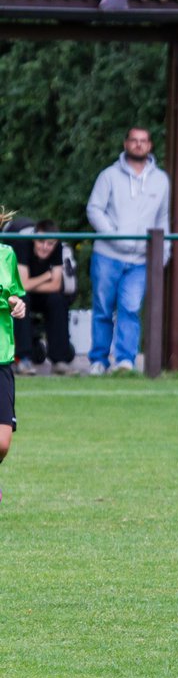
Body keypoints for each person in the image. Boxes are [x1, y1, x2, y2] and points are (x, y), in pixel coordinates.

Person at [85, 126, 170, 375]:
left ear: (150, 145)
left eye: (143, 141)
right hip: (107, 256)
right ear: (126, 144)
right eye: (134, 140)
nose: (138, 145)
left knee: (130, 308)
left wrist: (162, 252)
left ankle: (125, 361)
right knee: (102, 309)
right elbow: (94, 209)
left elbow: (162, 218)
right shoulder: (108, 176)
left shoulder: (161, 180)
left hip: (141, 259)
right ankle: (99, 360)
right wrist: (114, 236)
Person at [12, 220, 75, 376]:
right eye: (41, 241)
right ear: (34, 238)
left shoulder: (58, 248)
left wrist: (34, 282)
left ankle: (59, 360)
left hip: (41, 292)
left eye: (50, 243)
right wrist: (47, 275)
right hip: (20, 293)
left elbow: (55, 285)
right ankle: (24, 359)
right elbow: (22, 285)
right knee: (22, 300)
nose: (45, 247)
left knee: (58, 300)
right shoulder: (22, 245)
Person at [1, 209, 29, 503]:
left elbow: (15, 296)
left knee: (2, 443)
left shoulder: (6, 255)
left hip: (2, 355)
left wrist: (17, 304)